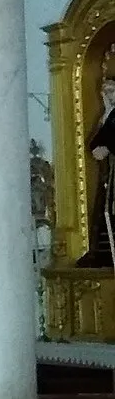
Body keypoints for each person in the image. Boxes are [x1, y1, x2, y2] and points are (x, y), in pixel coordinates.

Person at [80, 72, 115, 268]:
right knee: (106, 212)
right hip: (110, 172)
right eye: (105, 91)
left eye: (111, 90)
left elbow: (103, 143)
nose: (108, 94)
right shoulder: (109, 115)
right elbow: (94, 145)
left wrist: (108, 146)